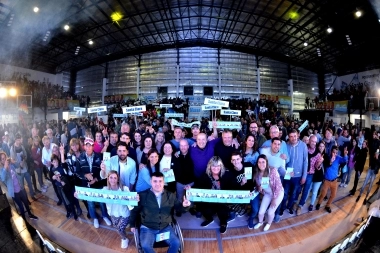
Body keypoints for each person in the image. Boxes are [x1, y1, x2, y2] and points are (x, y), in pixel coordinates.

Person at [129, 171, 191, 253]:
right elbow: (134, 211)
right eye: (155, 181)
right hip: (148, 228)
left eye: (160, 181)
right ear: (151, 182)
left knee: (176, 243)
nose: (157, 184)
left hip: (165, 227)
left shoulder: (170, 196)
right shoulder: (142, 195)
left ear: (164, 182)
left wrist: (185, 206)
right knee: (145, 245)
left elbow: (180, 209)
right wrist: (132, 225)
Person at [76, 137, 111, 228]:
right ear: (84, 147)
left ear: (93, 146)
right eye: (86, 146)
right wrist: (86, 175)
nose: (88, 148)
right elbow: (77, 172)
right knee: (90, 202)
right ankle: (95, 217)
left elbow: (103, 171)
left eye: (90, 146)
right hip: (86, 185)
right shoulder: (80, 158)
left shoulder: (99, 156)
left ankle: (105, 215)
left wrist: (95, 179)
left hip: (98, 183)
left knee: (101, 201)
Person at [194, 156, 235, 234]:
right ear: (209, 166)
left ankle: (223, 223)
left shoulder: (227, 174)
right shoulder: (205, 176)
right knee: (205, 210)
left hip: (223, 200)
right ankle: (209, 219)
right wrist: (190, 188)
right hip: (210, 200)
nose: (215, 168)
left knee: (222, 211)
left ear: (221, 166)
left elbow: (234, 186)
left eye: (218, 166)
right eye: (213, 165)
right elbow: (197, 187)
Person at [0, 152, 38, 220]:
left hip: (20, 187)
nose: (5, 159)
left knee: (26, 202)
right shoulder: (1, 170)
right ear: (0, 161)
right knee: (21, 206)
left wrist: (13, 162)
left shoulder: (10, 164)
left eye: (5, 157)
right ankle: (24, 220)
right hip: (14, 191)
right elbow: (2, 178)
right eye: (2, 159)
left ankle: (30, 214)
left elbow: (18, 166)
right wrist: (5, 168)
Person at [252, 154, 284, 231]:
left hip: (277, 193)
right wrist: (259, 188)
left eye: (263, 162)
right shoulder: (257, 173)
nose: (261, 164)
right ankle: (260, 222)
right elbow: (259, 186)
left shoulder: (272, 171)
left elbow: (278, 186)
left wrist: (274, 199)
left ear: (266, 163)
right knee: (260, 212)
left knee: (270, 212)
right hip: (267, 194)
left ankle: (269, 223)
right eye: (259, 162)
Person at [104, 170, 132, 249]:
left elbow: (131, 201)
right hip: (113, 213)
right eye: (111, 177)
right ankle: (124, 236)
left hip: (124, 213)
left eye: (115, 178)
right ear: (108, 179)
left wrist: (134, 199)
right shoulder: (105, 190)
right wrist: (79, 194)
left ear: (118, 179)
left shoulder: (124, 189)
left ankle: (124, 239)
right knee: (116, 228)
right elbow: (92, 195)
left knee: (120, 228)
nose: (113, 180)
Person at [316, 146, 348, 213]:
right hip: (326, 181)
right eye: (334, 152)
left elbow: (344, 160)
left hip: (334, 181)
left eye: (336, 152)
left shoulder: (338, 158)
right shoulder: (327, 157)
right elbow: (327, 164)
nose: (335, 154)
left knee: (333, 195)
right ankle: (319, 203)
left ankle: (327, 206)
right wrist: (331, 160)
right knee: (323, 194)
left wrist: (345, 155)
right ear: (331, 151)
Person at [10, 133, 36, 201]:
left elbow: (25, 155)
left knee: (30, 183)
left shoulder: (22, 146)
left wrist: (23, 160)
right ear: (15, 140)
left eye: (19, 140)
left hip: (25, 168)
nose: (19, 141)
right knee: (22, 186)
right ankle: (26, 199)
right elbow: (13, 160)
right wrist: (19, 164)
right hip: (19, 171)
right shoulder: (12, 148)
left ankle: (32, 195)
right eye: (18, 140)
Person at [172, 139, 195, 217]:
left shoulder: (193, 155)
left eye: (185, 145)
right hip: (179, 182)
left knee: (190, 197)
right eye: (181, 145)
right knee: (179, 197)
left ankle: (191, 208)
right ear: (179, 146)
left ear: (188, 146)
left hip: (190, 181)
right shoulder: (176, 156)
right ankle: (179, 209)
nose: (183, 147)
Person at [307, 141, 326, 211]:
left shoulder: (325, 156)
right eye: (320, 146)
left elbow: (328, 165)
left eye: (323, 146)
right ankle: (302, 203)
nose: (321, 148)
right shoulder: (314, 153)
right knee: (308, 189)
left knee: (315, 191)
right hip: (312, 174)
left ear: (324, 147)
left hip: (319, 176)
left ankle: (311, 204)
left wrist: (320, 163)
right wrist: (318, 163)